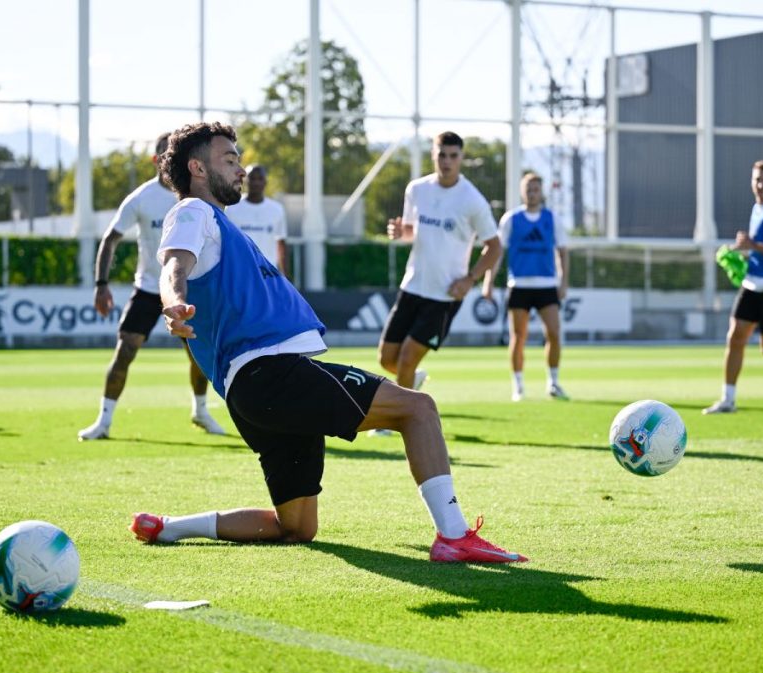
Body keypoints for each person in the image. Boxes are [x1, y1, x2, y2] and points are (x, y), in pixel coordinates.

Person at [129, 121, 526, 564]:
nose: (240, 168)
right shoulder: (192, 212)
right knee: (418, 409)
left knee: (296, 527)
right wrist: (175, 302)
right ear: (197, 167)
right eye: (230, 159)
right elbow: (172, 267)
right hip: (272, 373)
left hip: (252, 393)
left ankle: (169, 527)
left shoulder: (216, 222)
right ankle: (453, 536)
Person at [78, 133, 224, 440]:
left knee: (200, 355)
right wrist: (101, 284)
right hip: (148, 289)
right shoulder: (141, 198)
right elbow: (110, 239)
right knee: (125, 351)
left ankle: (200, 410)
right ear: (155, 160)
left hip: (186, 289)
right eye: (161, 156)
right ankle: (103, 421)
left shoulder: (193, 195)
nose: (165, 161)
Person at [377, 131, 502, 393]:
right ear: (433, 155)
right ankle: (413, 381)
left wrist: (470, 280)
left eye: (453, 156)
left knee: (407, 359)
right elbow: (412, 232)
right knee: (387, 359)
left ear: (461, 158)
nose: (447, 161)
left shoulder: (472, 200)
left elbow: (494, 247)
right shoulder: (417, 189)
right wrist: (401, 234)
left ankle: (396, 419)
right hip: (412, 286)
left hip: (444, 296)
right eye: (441, 155)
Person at [703, 161, 763, 414]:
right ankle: (727, 399)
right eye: (756, 179)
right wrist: (740, 255)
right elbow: (759, 247)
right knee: (735, 337)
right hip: (753, 284)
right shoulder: (758, 208)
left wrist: (753, 245)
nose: (760, 184)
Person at [481, 172, 570, 402]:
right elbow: (497, 251)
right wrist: (488, 281)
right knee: (518, 337)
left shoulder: (552, 219)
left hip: (546, 285)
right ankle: (518, 387)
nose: (532, 193)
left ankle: (553, 382)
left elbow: (562, 252)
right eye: (528, 189)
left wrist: (563, 281)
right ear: (522, 192)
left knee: (554, 333)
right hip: (519, 285)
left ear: (541, 192)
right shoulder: (511, 219)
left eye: (536, 189)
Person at [223, 164, 289, 275]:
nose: (256, 182)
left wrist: (285, 277)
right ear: (245, 181)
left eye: (260, 179)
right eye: (252, 178)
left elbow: (281, 243)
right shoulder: (231, 208)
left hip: (268, 274)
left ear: (265, 182)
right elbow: (225, 244)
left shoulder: (277, 209)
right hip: (240, 272)